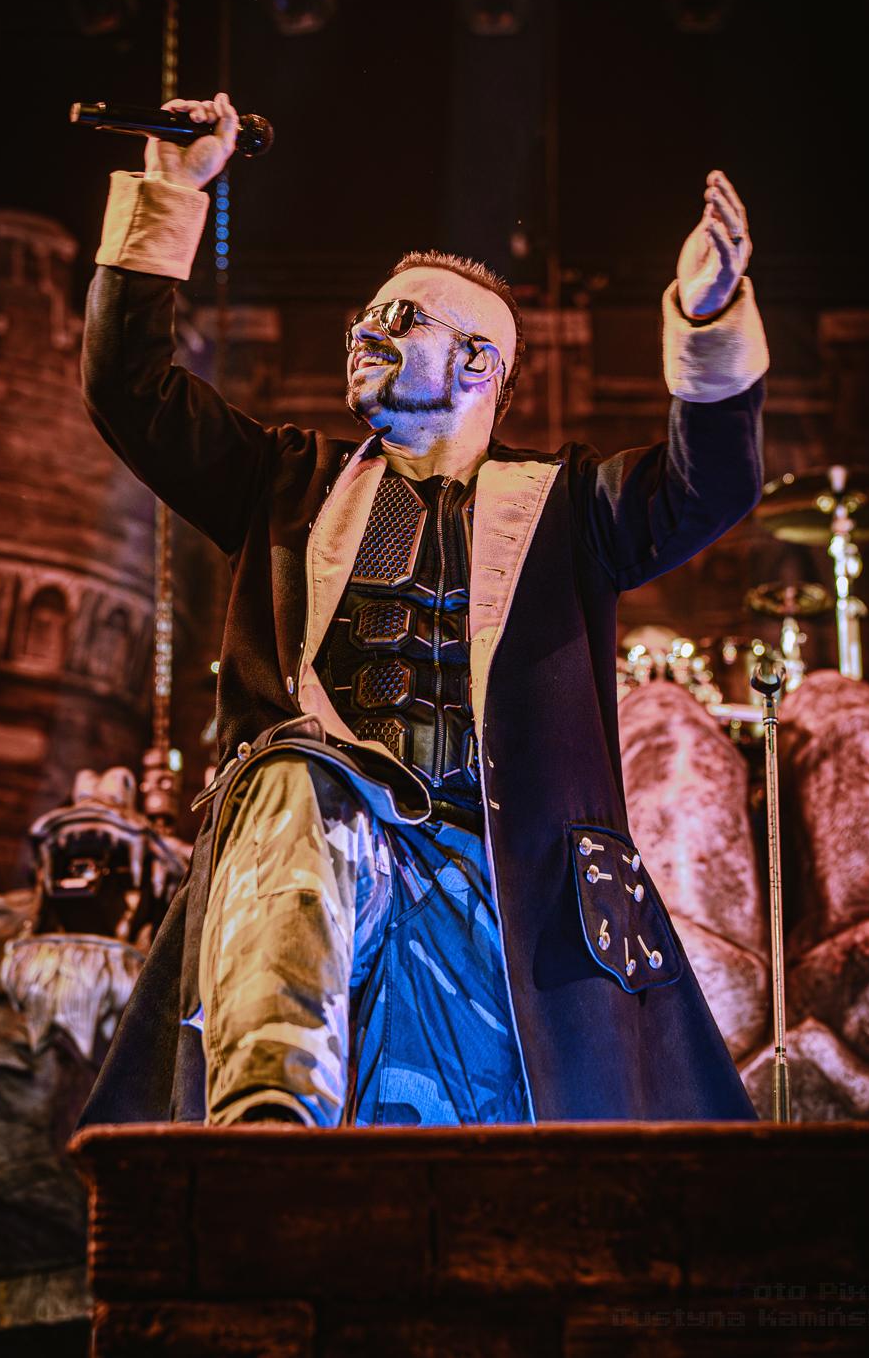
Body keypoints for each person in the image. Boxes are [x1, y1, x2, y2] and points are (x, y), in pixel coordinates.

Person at [78, 90, 767, 1130]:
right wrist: (171, 195)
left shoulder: (570, 506)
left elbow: (708, 484)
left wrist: (706, 322)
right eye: (364, 316)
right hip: (311, 866)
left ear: (480, 364)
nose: (367, 330)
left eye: (401, 320)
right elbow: (129, 392)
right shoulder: (285, 483)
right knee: (299, 773)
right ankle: (263, 1130)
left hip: (510, 893)